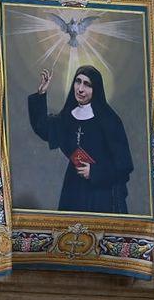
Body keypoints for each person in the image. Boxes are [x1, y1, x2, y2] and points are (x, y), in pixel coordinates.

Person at [27, 65, 132, 213]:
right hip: (74, 188)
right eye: (78, 82)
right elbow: (43, 128)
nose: (80, 89)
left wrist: (95, 172)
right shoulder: (68, 116)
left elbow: (124, 165)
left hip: (101, 194)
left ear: (96, 89)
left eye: (87, 84)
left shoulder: (110, 120)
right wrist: (41, 92)